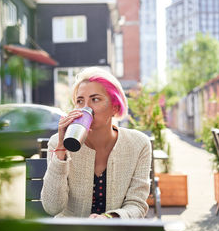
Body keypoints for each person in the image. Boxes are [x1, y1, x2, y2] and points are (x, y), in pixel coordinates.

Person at [41, 67, 151, 219]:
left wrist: (110, 218)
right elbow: (52, 207)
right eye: (80, 101)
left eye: (95, 99)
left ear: (115, 107)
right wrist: (61, 149)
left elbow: (137, 205)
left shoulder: (138, 144)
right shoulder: (58, 143)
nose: (86, 107)